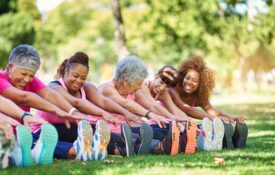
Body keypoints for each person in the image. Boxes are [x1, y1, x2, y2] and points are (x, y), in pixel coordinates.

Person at [36, 52, 150, 157]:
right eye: (75, 76)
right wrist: (103, 113)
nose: (79, 81)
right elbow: (77, 103)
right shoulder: (54, 87)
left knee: (102, 131)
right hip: (45, 130)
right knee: (87, 131)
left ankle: (134, 146)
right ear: (66, 71)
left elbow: (103, 101)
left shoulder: (87, 88)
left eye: (83, 78)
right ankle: (121, 148)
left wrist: (126, 113)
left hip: (72, 129)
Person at [0, 44, 97, 163]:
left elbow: (50, 94)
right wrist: (57, 110)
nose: (27, 79)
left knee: (65, 148)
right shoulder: (1, 79)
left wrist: (69, 111)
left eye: (32, 75)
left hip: (24, 133)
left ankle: (80, 150)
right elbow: (24, 97)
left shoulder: (31, 81)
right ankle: (26, 154)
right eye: (23, 74)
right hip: (6, 131)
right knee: (32, 143)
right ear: (10, 67)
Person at [98, 55, 179, 154]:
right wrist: (149, 115)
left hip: (127, 128)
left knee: (162, 126)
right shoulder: (107, 88)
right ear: (126, 80)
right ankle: (159, 145)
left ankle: (171, 141)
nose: (141, 87)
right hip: (110, 131)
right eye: (138, 83)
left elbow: (151, 106)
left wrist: (169, 118)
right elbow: (126, 103)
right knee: (137, 135)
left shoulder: (133, 91)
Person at [169, 56, 248, 150]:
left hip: (184, 124)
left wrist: (230, 117)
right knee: (196, 129)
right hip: (170, 123)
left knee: (205, 126)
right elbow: (187, 109)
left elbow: (212, 110)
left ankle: (230, 139)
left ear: (201, 84)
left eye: (194, 80)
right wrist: (214, 118)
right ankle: (221, 139)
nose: (189, 82)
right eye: (187, 78)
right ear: (183, 76)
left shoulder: (198, 96)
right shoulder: (174, 90)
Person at [134, 65, 198, 154]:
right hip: (136, 126)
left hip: (149, 126)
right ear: (156, 76)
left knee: (170, 128)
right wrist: (173, 120)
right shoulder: (143, 86)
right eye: (161, 82)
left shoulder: (163, 93)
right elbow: (153, 106)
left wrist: (190, 123)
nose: (162, 88)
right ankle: (179, 143)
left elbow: (175, 110)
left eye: (167, 86)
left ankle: (192, 139)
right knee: (168, 128)